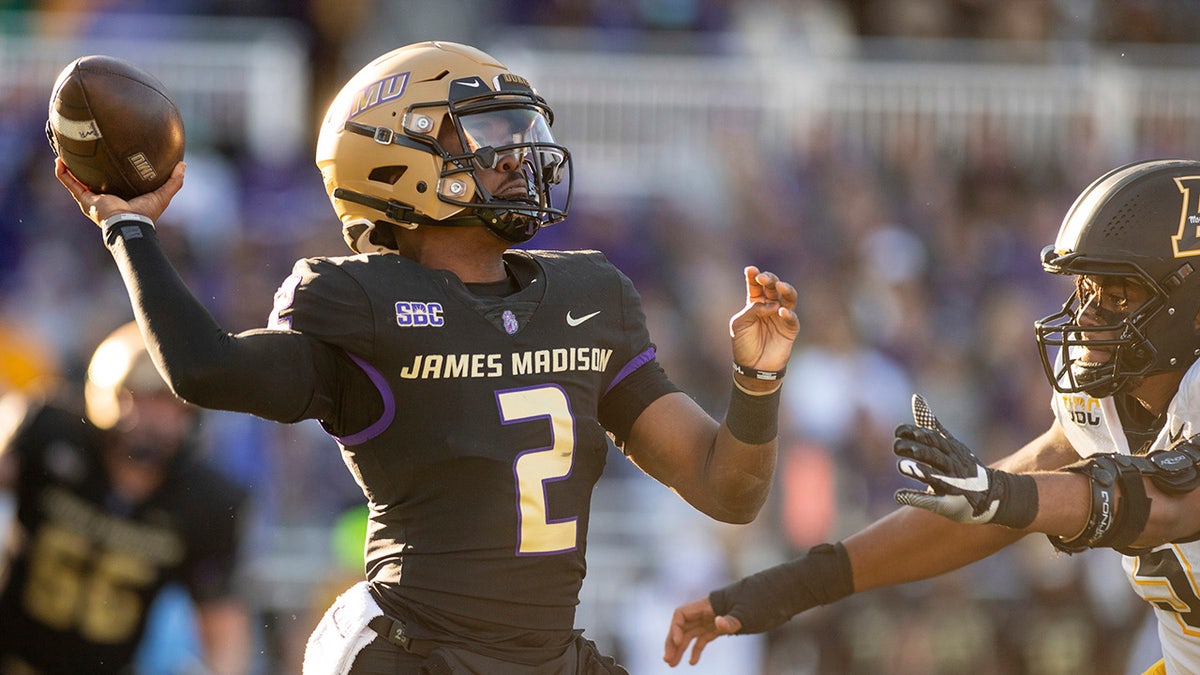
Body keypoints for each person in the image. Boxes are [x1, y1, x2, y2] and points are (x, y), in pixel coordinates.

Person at [51, 41, 800, 674]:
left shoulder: (591, 294)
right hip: (410, 652)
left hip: (545, 656)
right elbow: (205, 367)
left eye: (519, 129)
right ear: (393, 155)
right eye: (484, 133)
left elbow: (727, 488)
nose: (518, 155)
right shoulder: (361, 302)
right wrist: (128, 229)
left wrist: (756, 378)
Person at [663, 157, 1200, 675]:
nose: (1087, 315)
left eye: (1120, 293)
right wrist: (796, 586)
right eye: (1087, 288)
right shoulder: (1104, 399)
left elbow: (1169, 503)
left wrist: (1002, 496)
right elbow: (998, 505)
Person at [0, 321, 251, 675]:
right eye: (140, 397)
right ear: (110, 393)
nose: (154, 419)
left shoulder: (205, 501)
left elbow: (222, 624)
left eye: (170, 404)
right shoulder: (50, 434)